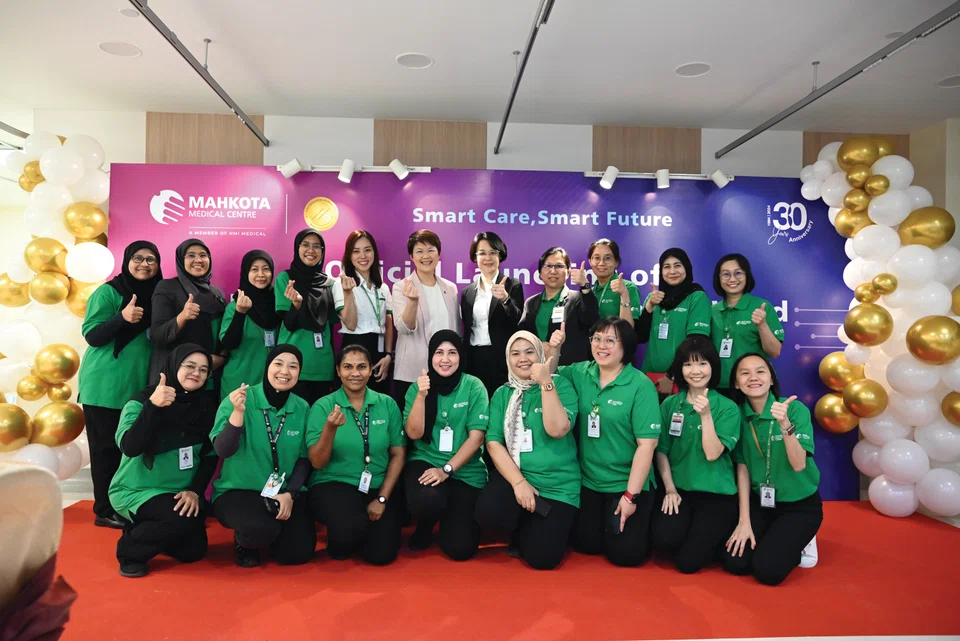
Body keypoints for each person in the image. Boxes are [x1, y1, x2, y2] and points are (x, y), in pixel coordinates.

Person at [551, 317, 662, 567]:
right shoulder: (581, 371)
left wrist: (630, 497)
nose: (602, 345)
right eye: (597, 339)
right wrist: (555, 348)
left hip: (626, 483)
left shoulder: (640, 385)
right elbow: (549, 374)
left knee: (625, 556)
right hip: (589, 482)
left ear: (626, 346)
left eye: (610, 340)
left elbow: (647, 446)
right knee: (585, 545)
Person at [108, 344, 219, 578]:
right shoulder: (141, 401)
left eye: (203, 369)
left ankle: (150, 528)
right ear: (172, 366)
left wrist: (194, 491)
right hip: (137, 489)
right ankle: (130, 552)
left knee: (193, 551)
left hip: (179, 492)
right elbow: (130, 446)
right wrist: (153, 407)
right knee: (176, 519)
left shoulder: (207, 407)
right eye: (189, 366)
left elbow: (209, 457)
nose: (196, 373)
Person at [474, 331, 580, 570]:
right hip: (518, 476)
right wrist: (519, 483)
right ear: (508, 359)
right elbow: (493, 443)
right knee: (488, 512)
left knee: (543, 559)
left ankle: (536, 524)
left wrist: (546, 383)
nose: (523, 358)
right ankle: (523, 518)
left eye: (530, 352)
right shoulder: (503, 393)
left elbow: (558, 429)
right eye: (515, 353)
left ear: (541, 355)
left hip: (557, 485)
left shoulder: (560, 385)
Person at [78, 240, 162, 529]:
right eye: (138, 258)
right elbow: (92, 334)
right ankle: (104, 510)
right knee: (105, 451)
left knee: (129, 448)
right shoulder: (109, 292)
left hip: (136, 387)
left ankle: (124, 505)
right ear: (126, 260)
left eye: (151, 259)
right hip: (104, 385)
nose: (144, 264)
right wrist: (122, 318)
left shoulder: (159, 295)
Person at [210, 345, 316, 568]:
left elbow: (304, 459)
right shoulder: (239, 399)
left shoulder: (302, 407)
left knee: (297, 554)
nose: (285, 372)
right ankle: (245, 543)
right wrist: (237, 414)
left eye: (293, 366)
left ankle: (273, 535)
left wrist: (290, 494)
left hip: (281, 493)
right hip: (239, 490)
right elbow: (223, 450)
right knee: (260, 530)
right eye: (278, 364)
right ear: (267, 367)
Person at [723, 353, 823, 586]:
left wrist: (785, 426)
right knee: (735, 562)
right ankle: (776, 535)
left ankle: (804, 539)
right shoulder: (736, 415)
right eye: (744, 373)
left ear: (771, 379)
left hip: (799, 506)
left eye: (760, 371)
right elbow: (743, 468)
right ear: (737, 383)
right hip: (763, 503)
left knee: (767, 572)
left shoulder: (794, 410)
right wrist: (744, 521)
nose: (753, 378)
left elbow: (799, 464)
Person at [306, 345, 406, 565]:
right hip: (334, 482)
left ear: (371, 370)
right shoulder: (323, 406)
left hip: (377, 484)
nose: (355, 373)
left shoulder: (387, 404)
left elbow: (398, 454)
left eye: (361, 367)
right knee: (345, 537)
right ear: (338, 371)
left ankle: (362, 531)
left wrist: (382, 498)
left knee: (381, 556)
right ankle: (346, 533)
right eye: (348, 367)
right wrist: (330, 429)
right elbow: (317, 461)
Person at [651, 335, 741, 574]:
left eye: (702, 363)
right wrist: (670, 489)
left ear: (713, 366)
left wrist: (706, 415)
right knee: (663, 541)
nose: (695, 371)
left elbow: (712, 454)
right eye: (688, 364)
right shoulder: (670, 405)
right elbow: (661, 451)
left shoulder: (728, 408)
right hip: (681, 492)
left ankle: (718, 537)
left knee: (687, 564)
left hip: (716, 495)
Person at [402, 330, 488, 560]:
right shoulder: (418, 387)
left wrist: (446, 470)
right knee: (426, 500)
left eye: (452, 352)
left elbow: (477, 437)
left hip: (464, 470)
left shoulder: (474, 386)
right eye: (439, 352)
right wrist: (421, 396)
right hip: (426, 459)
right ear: (431, 356)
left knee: (460, 549)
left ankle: (453, 514)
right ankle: (426, 523)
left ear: (461, 356)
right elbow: (413, 433)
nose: (445, 359)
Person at [392, 230, 460, 404]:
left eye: (431, 250)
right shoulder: (401, 287)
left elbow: (455, 333)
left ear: (439, 254)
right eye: (419, 251)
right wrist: (413, 301)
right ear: (411, 256)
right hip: (412, 373)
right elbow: (403, 328)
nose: (426, 256)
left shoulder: (450, 288)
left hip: (445, 370)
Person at [150, 239, 227, 386]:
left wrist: (221, 358)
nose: (198, 260)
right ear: (181, 260)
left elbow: (222, 333)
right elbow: (157, 334)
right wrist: (182, 317)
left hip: (207, 376)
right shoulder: (167, 287)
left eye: (203, 255)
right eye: (191, 255)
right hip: (174, 377)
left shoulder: (217, 293)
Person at [274, 229, 337, 405]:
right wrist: (296, 305)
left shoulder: (329, 284)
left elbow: (330, 325)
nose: (311, 250)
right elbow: (289, 324)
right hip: (291, 365)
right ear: (297, 248)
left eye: (317, 246)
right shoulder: (286, 279)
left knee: (318, 425)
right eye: (306, 245)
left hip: (322, 366)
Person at [637, 248, 710, 397]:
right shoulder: (654, 298)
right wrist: (649, 306)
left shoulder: (697, 297)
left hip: (682, 379)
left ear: (686, 268)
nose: (672, 271)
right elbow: (640, 336)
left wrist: (671, 375)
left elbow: (695, 342)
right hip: (650, 379)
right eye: (666, 266)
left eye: (677, 265)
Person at [460, 231, 524, 398]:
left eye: (492, 252)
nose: (487, 258)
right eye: (482, 253)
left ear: (500, 255)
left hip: (501, 360)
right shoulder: (467, 292)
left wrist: (505, 299)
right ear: (475, 257)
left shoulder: (512, 285)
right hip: (474, 359)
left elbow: (518, 320)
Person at [710, 254, 784, 398]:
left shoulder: (762, 307)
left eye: (738, 273)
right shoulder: (712, 311)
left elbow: (775, 352)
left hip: (754, 387)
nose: (732, 279)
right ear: (718, 278)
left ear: (747, 276)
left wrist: (762, 325)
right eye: (726, 274)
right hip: (719, 388)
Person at [334, 230, 394, 395]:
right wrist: (348, 293)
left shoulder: (383, 287)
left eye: (367, 250)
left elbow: (388, 323)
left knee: (379, 399)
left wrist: (388, 356)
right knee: (353, 399)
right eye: (356, 251)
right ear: (349, 255)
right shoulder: (342, 284)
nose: (363, 256)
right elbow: (351, 325)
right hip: (354, 346)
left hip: (379, 350)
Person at [518, 247, 599, 366]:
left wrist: (585, 286)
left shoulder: (578, 298)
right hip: (537, 367)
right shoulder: (531, 303)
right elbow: (522, 334)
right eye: (548, 266)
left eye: (559, 266)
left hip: (570, 369)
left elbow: (592, 320)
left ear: (568, 271)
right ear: (540, 273)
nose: (553, 271)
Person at [219, 250, 281, 400]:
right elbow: (229, 343)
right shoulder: (235, 306)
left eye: (266, 269)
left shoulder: (278, 304)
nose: (261, 274)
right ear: (246, 272)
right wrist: (240, 312)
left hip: (270, 383)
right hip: (238, 383)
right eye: (254, 269)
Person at [587, 239, 641, 326]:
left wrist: (624, 294)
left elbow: (628, 328)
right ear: (590, 261)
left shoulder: (628, 287)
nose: (601, 263)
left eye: (607, 258)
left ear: (616, 262)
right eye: (597, 258)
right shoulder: (591, 291)